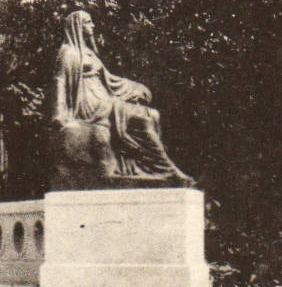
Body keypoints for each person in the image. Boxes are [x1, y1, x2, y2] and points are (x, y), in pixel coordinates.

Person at [52, 10, 193, 185]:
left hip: (106, 99)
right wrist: (59, 113)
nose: (93, 26)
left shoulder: (88, 53)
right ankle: (167, 170)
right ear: (77, 27)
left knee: (153, 115)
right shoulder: (68, 53)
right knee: (142, 118)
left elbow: (110, 79)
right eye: (88, 22)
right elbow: (60, 81)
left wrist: (134, 87)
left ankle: (157, 168)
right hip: (91, 103)